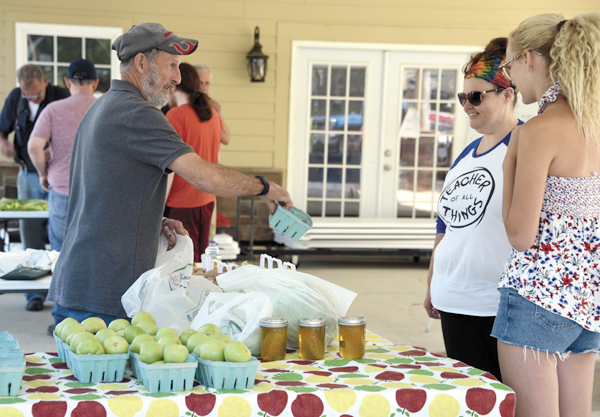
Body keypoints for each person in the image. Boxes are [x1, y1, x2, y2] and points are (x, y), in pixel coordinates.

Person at [46, 23, 292, 325]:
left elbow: (103, 191)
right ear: (141, 63)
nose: (177, 77)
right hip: (105, 290)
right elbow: (206, 177)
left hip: (83, 280)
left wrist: (153, 220)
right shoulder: (138, 113)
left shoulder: (102, 107)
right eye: (172, 65)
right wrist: (266, 187)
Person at [492, 13, 600, 417]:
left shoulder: (538, 129)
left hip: (537, 296)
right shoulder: (593, 126)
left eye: (509, 65)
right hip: (586, 299)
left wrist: (508, 170)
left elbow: (520, 235)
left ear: (531, 60)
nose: (510, 78)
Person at [424, 38, 520, 382]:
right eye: (463, 96)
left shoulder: (524, 146)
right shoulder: (467, 154)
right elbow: (445, 224)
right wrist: (432, 282)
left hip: (496, 304)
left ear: (507, 94)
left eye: (476, 96)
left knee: (505, 398)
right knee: (474, 399)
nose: (467, 104)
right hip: (454, 298)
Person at [27, 58, 99, 333]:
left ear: (67, 82)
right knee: (92, 256)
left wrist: (43, 173)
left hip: (61, 191)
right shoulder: (103, 107)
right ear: (95, 83)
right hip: (96, 193)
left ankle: (62, 321)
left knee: (61, 256)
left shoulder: (53, 109)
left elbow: (34, 146)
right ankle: (89, 322)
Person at [0, 64, 69, 312]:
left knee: (61, 236)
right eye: (28, 95)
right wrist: (4, 145)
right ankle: (34, 294)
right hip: (28, 175)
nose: (33, 99)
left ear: (46, 82)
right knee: (31, 236)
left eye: (37, 94)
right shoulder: (15, 98)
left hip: (58, 178)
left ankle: (62, 293)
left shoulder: (62, 96)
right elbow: (1, 130)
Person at [165, 63, 222, 260]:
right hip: (207, 199)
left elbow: (170, 167)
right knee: (202, 261)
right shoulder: (214, 115)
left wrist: (159, 207)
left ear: (173, 86)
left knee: (183, 262)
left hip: (182, 202)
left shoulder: (175, 116)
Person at [194, 63, 231, 242]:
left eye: (207, 83)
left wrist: (219, 114)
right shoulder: (184, 107)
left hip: (211, 182)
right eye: (200, 82)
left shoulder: (212, 108)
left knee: (208, 235)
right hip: (190, 179)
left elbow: (227, 138)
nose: (204, 87)